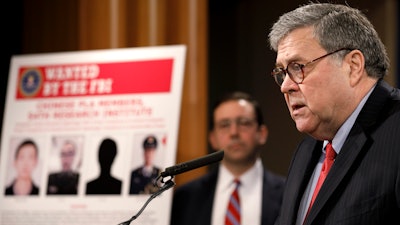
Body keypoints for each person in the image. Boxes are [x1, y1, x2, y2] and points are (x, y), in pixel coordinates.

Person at [268, 2, 400, 225]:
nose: (285, 86)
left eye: (298, 67)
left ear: (353, 66)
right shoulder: (306, 151)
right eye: (282, 72)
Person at [170, 91, 285, 225]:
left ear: (262, 133)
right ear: (213, 139)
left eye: (243, 123)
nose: (234, 132)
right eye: (224, 125)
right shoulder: (185, 197)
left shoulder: (289, 192)